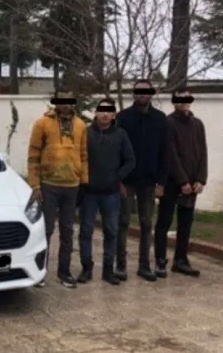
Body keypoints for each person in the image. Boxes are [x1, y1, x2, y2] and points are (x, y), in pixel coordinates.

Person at [27, 89, 88, 288]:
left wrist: (84, 182)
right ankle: (40, 272)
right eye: (62, 100)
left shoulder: (80, 125)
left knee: (68, 231)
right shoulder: (42, 124)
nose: (66, 104)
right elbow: (33, 156)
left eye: (69, 101)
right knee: (46, 230)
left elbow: (84, 156)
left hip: (72, 186)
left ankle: (64, 272)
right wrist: (35, 185)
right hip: (48, 186)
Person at [77, 98, 135, 286]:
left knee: (111, 231)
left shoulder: (121, 135)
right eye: (101, 110)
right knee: (86, 231)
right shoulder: (86, 134)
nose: (105, 114)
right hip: (89, 193)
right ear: (96, 113)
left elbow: (130, 161)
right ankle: (86, 268)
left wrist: (117, 177)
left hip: (111, 194)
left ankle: (108, 270)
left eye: (109, 111)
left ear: (113, 115)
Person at [115, 79, 168, 282]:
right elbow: (117, 152)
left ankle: (144, 266)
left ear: (151, 94)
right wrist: (118, 179)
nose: (143, 94)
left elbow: (165, 153)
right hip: (127, 180)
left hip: (149, 182)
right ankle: (120, 265)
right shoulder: (123, 118)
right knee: (123, 222)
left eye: (146, 91)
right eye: (139, 91)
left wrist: (161, 183)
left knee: (146, 223)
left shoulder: (160, 119)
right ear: (134, 94)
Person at [154, 88, 208, 278]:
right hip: (171, 181)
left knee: (185, 223)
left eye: (187, 99)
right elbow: (171, 154)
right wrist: (182, 180)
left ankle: (181, 260)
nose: (184, 102)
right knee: (164, 222)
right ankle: (160, 260)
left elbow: (203, 152)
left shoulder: (198, 124)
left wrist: (201, 179)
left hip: (192, 183)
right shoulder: (168, 123)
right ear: (174, 102)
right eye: (179, 99)